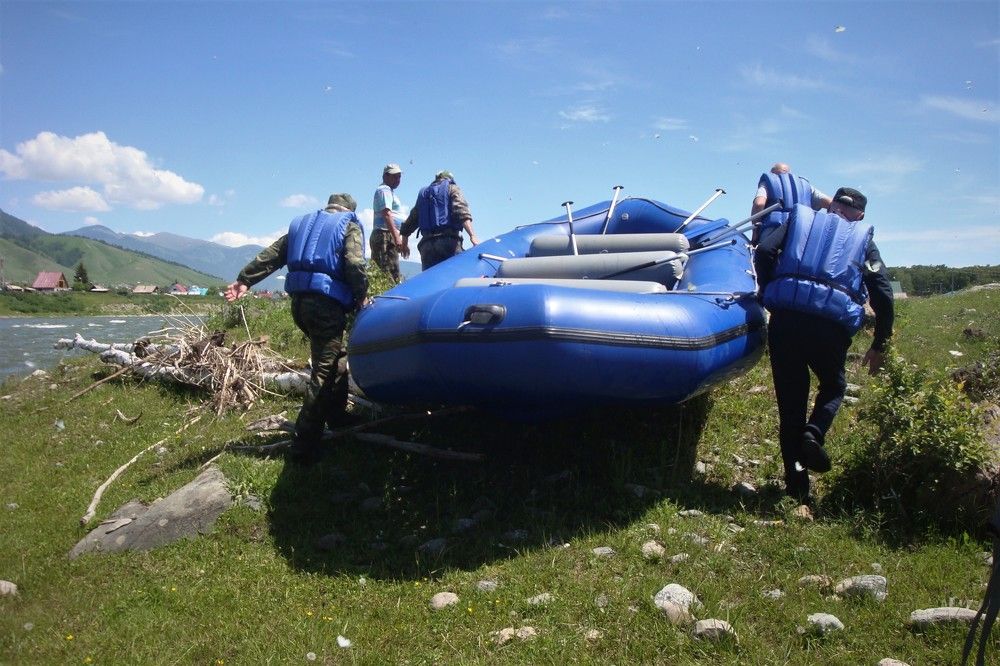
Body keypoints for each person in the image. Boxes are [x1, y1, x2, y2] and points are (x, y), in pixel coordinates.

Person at [754, 187, 894, 501]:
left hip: (786, 322)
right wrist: (880, 343)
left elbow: (763, 251)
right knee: (832, 387)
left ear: (832, 207)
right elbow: (882, 291)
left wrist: (766, 290)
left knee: (791, 410)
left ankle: (798, 489)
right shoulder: (863, 241)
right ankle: (814, 433)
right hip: (828, 329)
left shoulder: (800, 222)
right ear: (860, 215)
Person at [224, 193, 368, 463]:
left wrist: (245, 280)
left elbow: (271, 256)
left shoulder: (303, 225)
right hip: (326, 305)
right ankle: (303, 446)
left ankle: (337, 417)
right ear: (349, 209)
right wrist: (361, 294)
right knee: (323, 374)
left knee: (336, 358)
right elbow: (355, 262)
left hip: (300, 306)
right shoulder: (349, 224)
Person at [400, 170, 478, 270]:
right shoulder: (452, 188)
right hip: (448, 241)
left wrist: (404, 244)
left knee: (430, 280)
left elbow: (410, 222)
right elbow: (462, 212)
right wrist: (472, 236)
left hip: (427, 246)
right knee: (453, 278)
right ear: (449, 179)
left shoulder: (424, 194)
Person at [750, 162, 833, 245]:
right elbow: (831, 203)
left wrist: (755, 234)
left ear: (772, 173)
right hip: (801, 236)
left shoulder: (768, 182)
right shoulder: (806, 187)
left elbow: (759, 204)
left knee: (761, 254)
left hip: (772, 234)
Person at [369, 163, 405, 283]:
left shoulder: (389, 191)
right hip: (384, 235)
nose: (397, 180)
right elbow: (387, 214)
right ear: (385, 176)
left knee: (392, 271)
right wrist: (396, 237)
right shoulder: (384, 190)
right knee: (384, 272)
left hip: (388, 235)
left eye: (399, 176)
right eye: (394, 176)